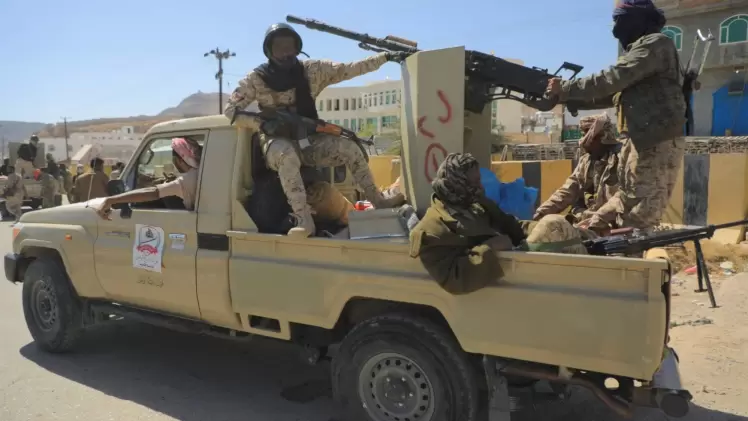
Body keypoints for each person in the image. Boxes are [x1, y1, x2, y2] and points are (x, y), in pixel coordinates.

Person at [224, 22, 408, 238]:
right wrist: (261, 123)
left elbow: (350, 69)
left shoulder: (313, 71)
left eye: (290, 46)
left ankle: (378, 201)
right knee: (286, 155)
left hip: (308, 139)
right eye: (279, 48)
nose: (285, 53)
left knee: (349, 147)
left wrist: (384, 57)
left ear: (297, 47)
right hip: (276, 141)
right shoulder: (256, 79)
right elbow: (231, 111)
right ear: (269, 51)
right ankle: (303, 219)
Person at [546, 0, 686, 233]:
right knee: (629, 206)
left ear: (639, 20)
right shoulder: (643, 55)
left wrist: (567, 88)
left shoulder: (655, 43)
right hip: (641, 140)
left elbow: (612, 78)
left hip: (653, 141)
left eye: (620, 20)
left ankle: (633, 254)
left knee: (640, 215)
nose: (616, 29)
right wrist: (567, 98)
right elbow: (612, 94)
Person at [408, 153, 587, 295]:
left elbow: (512, 226)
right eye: (474, 182)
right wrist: (490, 247)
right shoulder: (432, 231)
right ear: (457, 185)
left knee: (555, 224)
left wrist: (547, 228)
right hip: (498, 288)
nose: (480, 187)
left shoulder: (476, 205)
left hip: (518, 277)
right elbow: (454, 279)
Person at [534, 113, 621, 224]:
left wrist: (597, 219)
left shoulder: (621, 159)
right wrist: (542, 212)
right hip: (587, 219)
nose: (582, 141)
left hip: (613, 222)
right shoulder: (586, 160)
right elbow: (569, 189)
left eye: (587, 135)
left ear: (602, 137)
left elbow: (622, 196)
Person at [95, 138, 202, 218]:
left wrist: (111, 200)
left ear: (178, 160)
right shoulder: (201, 174)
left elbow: (153, 192)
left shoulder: (187, 181)